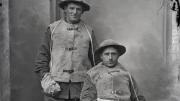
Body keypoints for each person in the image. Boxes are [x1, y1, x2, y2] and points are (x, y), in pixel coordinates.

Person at [34, 0, 97, 101]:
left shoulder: (89, 31)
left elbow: (96, 61)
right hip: (55, 86)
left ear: (82, 12)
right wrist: (46, 79)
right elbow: (42, 58)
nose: (75, 12)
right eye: (71, 8)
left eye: (78, 9)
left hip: (81, 88)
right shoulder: (52, 29)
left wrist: (92, 84)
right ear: (65, 9)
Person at [80, 39, 146, 101]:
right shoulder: (92, 74)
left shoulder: (126, 74)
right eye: (107, 54)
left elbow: (138, 97)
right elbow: (86, 98)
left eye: (113, 54)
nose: (110, 58)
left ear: (118, 55)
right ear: (101, 56)